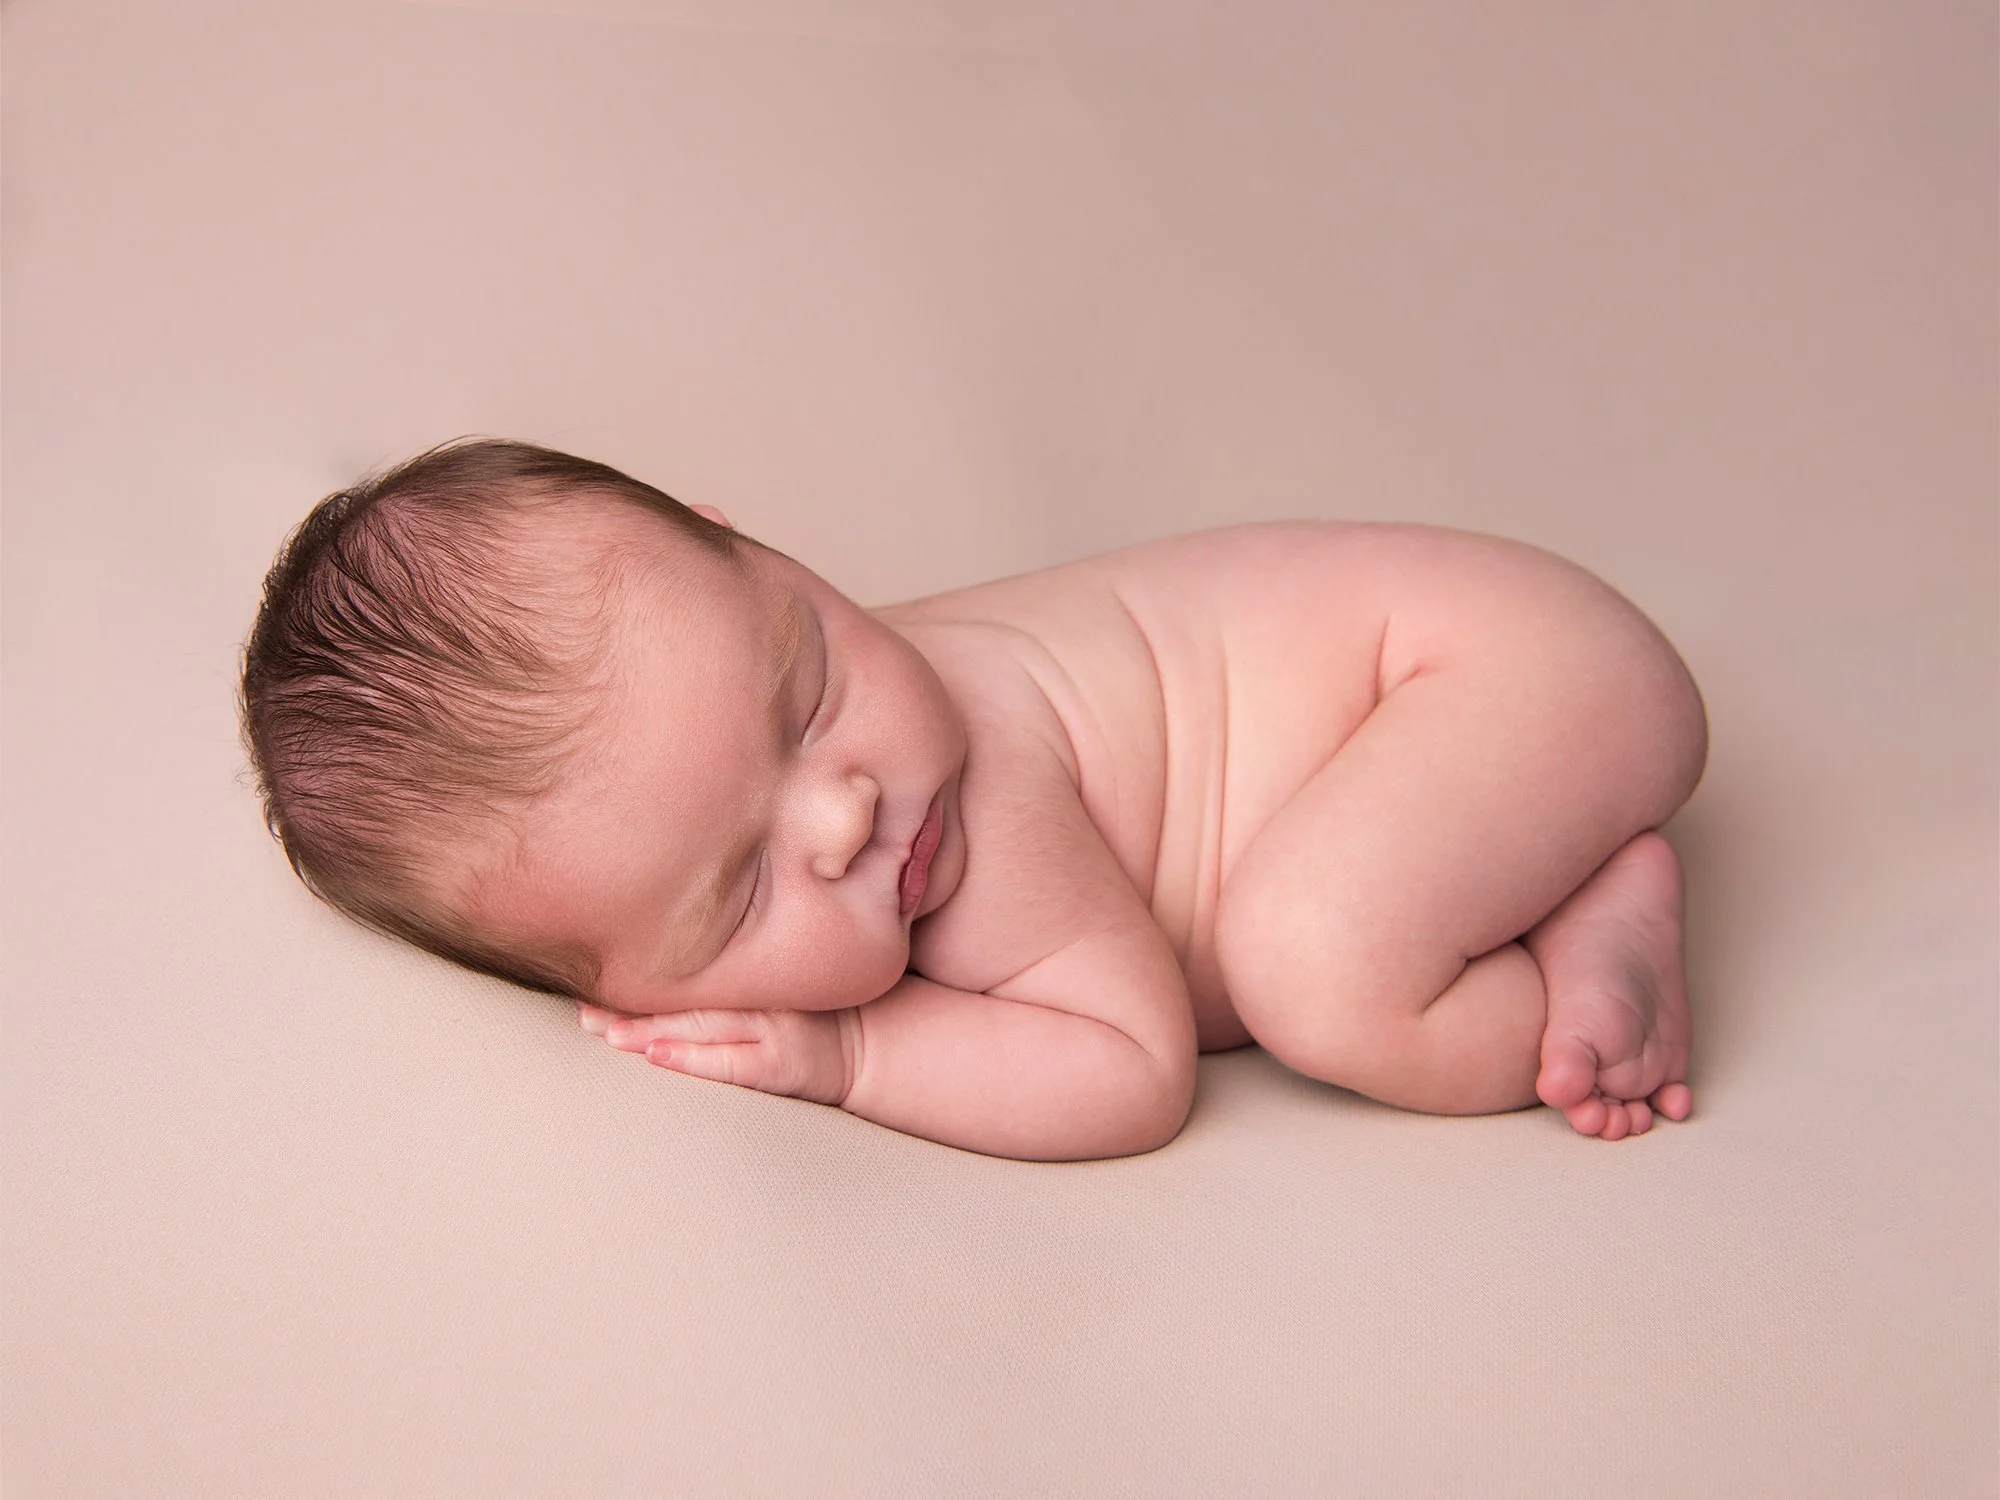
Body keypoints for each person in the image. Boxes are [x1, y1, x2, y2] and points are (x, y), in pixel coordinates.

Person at [240, 438, 1707, 1161]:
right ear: (629, 988)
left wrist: (852, 1057)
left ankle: (1568, 983)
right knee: (1315, 927)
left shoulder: (977, 790)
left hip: (1499, 672)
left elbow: (1133, 1071)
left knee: (1313, 966)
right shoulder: (820, 754)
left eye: (806, 694)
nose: (845, 815)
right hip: (1477, 729)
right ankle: (1574, 877)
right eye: (744, 889)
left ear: (745, 545)